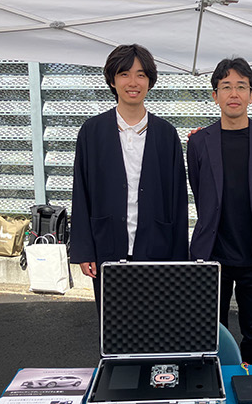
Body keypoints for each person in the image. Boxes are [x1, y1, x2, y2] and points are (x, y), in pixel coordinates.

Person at [70, 43, 189, 316]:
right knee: (113, 328)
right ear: (112, 80)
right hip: (107, 246)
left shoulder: (166, 134)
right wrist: (85, 250)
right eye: (124, 74)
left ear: (150, 81)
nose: (133, 82)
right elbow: (82, 192)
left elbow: (177, 199)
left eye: (141, 74)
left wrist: (179, 257)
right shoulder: (92, 131)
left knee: (155, 326)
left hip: (157, 247)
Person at [187, 57, 252, 365]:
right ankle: (214, 381)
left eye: (241, 87)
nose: (234, 94)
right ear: (214, 95)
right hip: (212, 253)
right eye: (226, 87)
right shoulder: (199, 142)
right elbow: (199, 189)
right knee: (211, 330)